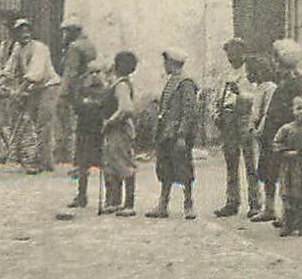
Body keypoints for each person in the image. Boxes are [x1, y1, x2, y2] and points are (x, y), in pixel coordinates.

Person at [254, 40, 302, 224]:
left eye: (278, 60)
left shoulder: (295, 84)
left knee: (286, 174)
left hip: (285, 133)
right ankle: (268, 208)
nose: (275, 65)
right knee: (268, 171)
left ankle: (287, 213)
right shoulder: (280, 82)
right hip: (271, 131)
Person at [3, 18, 62, 173]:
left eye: (27, 30)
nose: (25, 34)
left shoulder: (40, 48)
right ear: (15, 34)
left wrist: (20, 89)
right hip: (34, 89)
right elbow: (9, 68)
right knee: (31, 122)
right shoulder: (17, 48)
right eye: (20, 31)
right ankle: (30, 156)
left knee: (43, 124)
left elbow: (36, 73)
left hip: (49, 87)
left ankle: (44, 163)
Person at [146, 48, 199, 220]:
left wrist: (182, 134)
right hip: (166, 133)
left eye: (166, 62)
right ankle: (163, 204)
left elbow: (188, 111)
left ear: (173, 63)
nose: (164, 66)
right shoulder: (171, 82)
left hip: (177, 134)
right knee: (165, 168)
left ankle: (188, 204)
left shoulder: (186, 83)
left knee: (184, 168)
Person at [210, 38, 259, 219]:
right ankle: (232, 201)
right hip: (228, 118)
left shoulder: (251, 73)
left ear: (243, 53)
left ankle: (255, 203)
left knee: (250, 161)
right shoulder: (225, 73)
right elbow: (218, 95)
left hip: (244, 116)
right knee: (231, 160)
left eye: (235, 53)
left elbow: (256, 97)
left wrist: (241, 93)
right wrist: (216, 113)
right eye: (229, 54)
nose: (232, 57)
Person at [65, 64, 114, 212]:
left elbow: (107, 108)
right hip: (84, 132)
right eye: (91, 73)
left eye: (98, 72)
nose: (94, 76)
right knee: (82, 166)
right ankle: (81, 196)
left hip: (99, 133)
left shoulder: (107, 92)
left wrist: (90, 105)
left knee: (105, 166)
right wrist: (91, 105)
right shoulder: (82, 90)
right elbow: (77, 107)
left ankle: (109, 198)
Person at [273, 94, 302, 237]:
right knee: (288, 195)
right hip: (289, 168)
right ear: (292, 110)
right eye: (299, 108)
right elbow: (276, 144)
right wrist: (286, 153)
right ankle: (287, 224)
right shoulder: (286, 129)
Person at [101, 51, 139, 216]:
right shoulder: (118, 83)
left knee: (123, 163)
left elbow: (126, 108)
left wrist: (110, 121)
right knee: (112, 164)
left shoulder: (121, 85)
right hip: (116, 129)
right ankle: (115, 202)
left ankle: (129, 204)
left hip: (120, 129)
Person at [245, 56, 280, 222]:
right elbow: (254, 110)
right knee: (264, 170)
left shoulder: (270, 87)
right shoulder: (257, 88)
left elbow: (267, 111)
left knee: (271, 170)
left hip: (267, 131)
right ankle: (268, 207)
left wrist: (260, 129)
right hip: (258, 130)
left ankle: (271, 207)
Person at [57, 20, 96, 166]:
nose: (64, 35)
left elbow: (70, 72)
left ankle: (72, 157)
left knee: (70, 124)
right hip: (90, 89)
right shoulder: (90, 45)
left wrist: (62, 91)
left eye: (66, 31)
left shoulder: (74, 47)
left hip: (77, 90)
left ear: (73, 32)